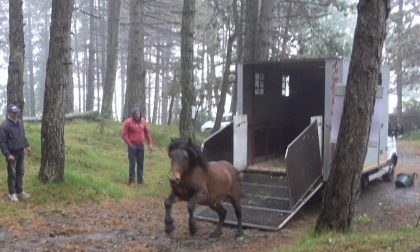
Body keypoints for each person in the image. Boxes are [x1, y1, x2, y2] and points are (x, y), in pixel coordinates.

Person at [0, 104, 31, 202]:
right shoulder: (4, 125)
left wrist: (27, 146)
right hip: (12, 154)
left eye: (16, 112)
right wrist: (7, 154)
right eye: (13, 112)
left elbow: (22, 136)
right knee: (12, 173)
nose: (15, 114)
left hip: (21, 151)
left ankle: (20, 191)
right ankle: (12, 193)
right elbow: (2, 142)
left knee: (20, 172)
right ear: (9, 113)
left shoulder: (20, 123)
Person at [121, 107, 153, 187]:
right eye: (136, 114)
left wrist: (150, 143)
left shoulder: (143, 121)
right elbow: (124, 134)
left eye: (138, 114)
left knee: (140, 163)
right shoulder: (128, 122)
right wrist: (129, 144)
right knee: (132, 163)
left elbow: (147, 132)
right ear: (133, 114)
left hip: (141, 145)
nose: (137, 115)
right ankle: (131, 181)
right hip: (132, 146)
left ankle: (140, 180)